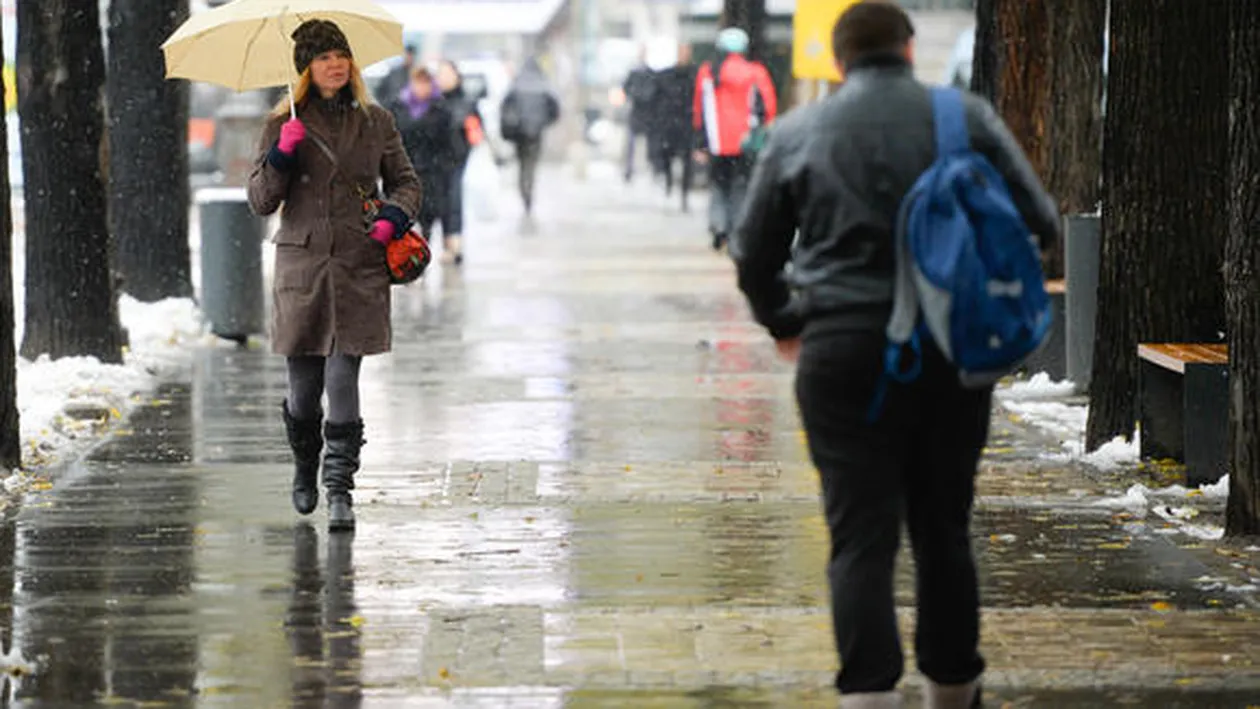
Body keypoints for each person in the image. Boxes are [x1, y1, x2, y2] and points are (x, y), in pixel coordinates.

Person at [732, 3, 1060, 707]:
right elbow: (1040, 222)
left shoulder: (796, 131)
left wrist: (785, 319)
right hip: (947, 350)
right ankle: (952, 686)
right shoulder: (962, 118)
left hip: (839, 351)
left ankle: (868, 694)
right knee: (944, 525)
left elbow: (751, 250)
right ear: (909, 50)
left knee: (859, 533)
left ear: (841, 58)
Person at [247, 19, 421, 533]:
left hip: (359, 264)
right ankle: (305, 463)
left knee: (343, 378)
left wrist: (394, 217)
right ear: (306, 68)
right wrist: (282, 154)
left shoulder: (376, 120)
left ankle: (340, 488)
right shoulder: (283, 122)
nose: (335, 64)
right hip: (302, 268)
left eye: (341, 55)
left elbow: (406, 182)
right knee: (303, 390)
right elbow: (260, 200)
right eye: (324, 57)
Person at [693, 27, 777, 251]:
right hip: (745, 143)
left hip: (716, 142)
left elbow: (699, 109)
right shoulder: (755, 72)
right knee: (741, 187)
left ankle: (719, 224)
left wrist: (700, 142)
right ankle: (737, 231)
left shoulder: (708, 72)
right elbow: (768, 107)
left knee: (719, 185)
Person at [387, 66, 458, 256]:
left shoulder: (441, 109)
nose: (422, 87)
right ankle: (406, 257)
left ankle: (420, 256)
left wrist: (445, 166)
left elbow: (450, 143)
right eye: (418, 82)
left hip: (432, 173)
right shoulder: (396, 106)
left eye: (426, 82)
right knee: (403, 216)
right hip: (404, 171)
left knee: (428, 217)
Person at [436, 59, 485, 265]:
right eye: (441, 75)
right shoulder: (433, 101)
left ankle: (454, 242)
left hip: (457, 159)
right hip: (434, 160)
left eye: (448, 74)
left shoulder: (467, 101)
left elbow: (477, 130)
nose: (444, 78)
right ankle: (445, 242)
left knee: (454, 198)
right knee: (438, 201)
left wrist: (467, 145)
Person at [500, 57, 560, 216]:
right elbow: (555, 107)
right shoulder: (543, 84)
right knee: (530, 164)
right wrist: (545, 121)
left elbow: (505, 106)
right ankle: (528, 192)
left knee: (522, 164)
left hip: (519, 132)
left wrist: (510, 126)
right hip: (536, 132)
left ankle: (524, 190)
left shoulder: (517, 83)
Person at [653, 43, 699, 211]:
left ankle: (684, 194)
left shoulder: (695, 75)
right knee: (667, 156)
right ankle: (669, 183)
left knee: (687, 161)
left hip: (687, 123)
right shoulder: (667, 75)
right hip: (671, 124)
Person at [622, 46, 658, 183]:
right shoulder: (634, 73)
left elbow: (653, 90)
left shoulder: (650, 73)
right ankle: (629, 169)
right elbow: (626, 88)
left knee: (650, 143)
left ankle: (652, 168)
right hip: (637, 112)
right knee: (632, 142)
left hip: (647, 113)